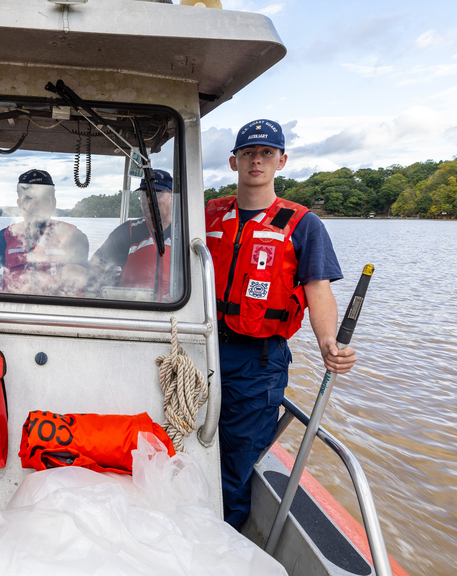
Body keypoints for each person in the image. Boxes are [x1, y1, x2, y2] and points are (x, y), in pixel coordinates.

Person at [205, 119, 356, 530]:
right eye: (249, 153)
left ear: (281, 161)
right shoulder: (208, 214)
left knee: (235, 464)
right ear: (234, 161)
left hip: (257, 360)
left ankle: (222, 541)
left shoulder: (303, 224)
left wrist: (329, 342)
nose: (257, 160)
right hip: (200, 349)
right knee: (183, 437)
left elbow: (318, 288)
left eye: (267, 153)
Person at [0, 169, 89, 295]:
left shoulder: (74, 237)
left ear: (54, 204)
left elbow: (71, 284)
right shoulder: (4, 238)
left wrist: (31, 304)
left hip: (56, 311)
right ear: (19, 204)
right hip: (8, 311)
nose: (35, 205)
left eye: (42, 199)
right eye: (28, 199)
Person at [85, 169, 175, 301]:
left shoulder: (184, 234)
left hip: (175, 310)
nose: (149, 200)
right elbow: (97, 264)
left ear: (171, 196)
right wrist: (89, 294)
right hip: (131, 308)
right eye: (144, 194)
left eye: (158, 194)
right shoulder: (127, 231)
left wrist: (181, 299)